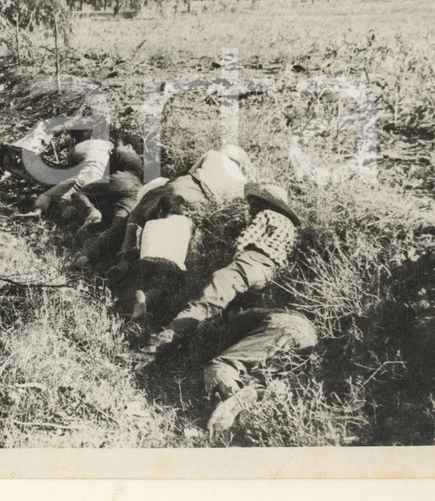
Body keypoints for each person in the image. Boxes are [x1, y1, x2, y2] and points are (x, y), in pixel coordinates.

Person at [144, 182, 301, 350]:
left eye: (255, 202)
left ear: (267, 203)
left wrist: (236, 256)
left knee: (208, 300)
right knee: (238, 313)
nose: (251, 207)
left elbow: (244, 240)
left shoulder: (267, 214)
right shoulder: (290, 227)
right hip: (269, 275)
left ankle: (163, 341)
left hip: (250, 263)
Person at [110, 144, 252, 279]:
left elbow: (190, 172)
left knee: (138, 213)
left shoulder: (213, 155)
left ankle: (126, 257)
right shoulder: (241, 182)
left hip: (185, 185)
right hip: (202, 203)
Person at [203, 307, 318, 439]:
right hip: (309, 341)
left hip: (286, 327)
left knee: (220, 364)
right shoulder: (274, 310)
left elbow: (237, 354)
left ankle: (232, 394)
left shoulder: (244, 314)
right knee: (260, 379)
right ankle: (259, 401)